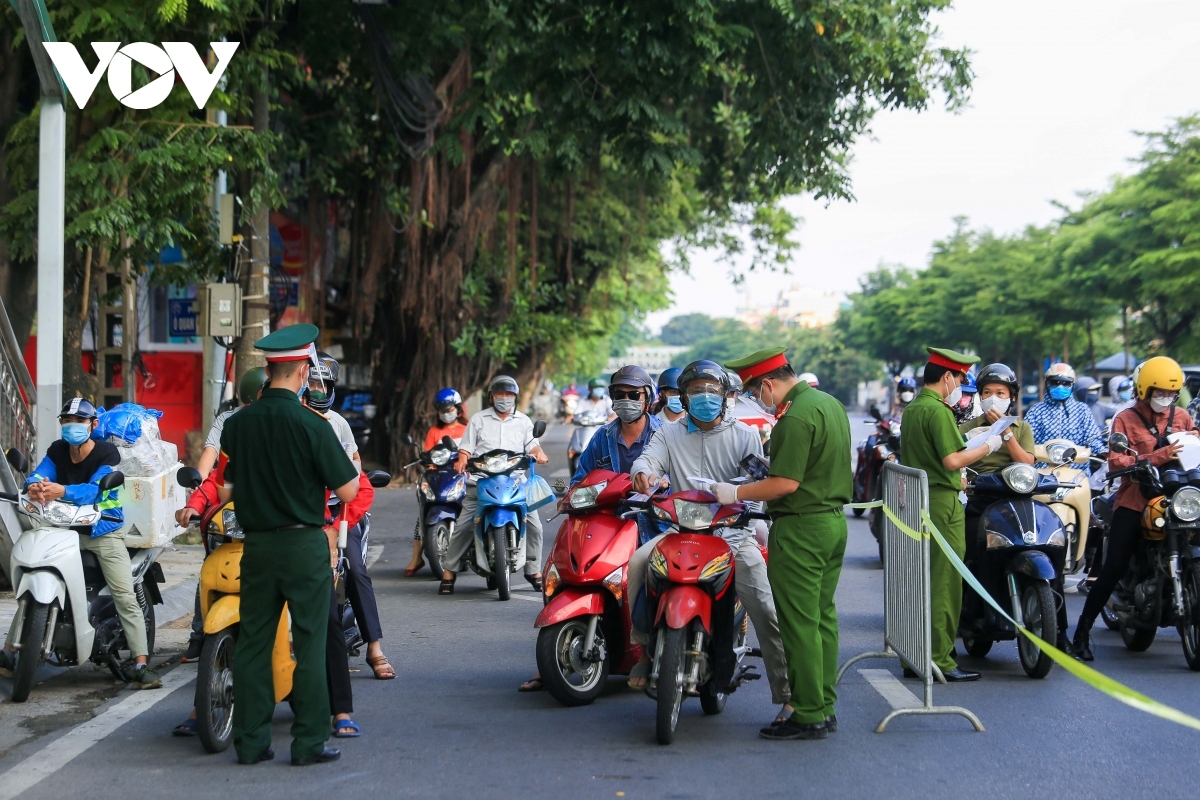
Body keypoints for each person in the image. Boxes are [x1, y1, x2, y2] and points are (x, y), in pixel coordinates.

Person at [219, 324, 359, 766]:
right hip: (304, 548)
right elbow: (351, 490)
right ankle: (308, 743)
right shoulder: (313, 425)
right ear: (302, 370)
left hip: (257, 548)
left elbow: (226, 491)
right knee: (311, 642)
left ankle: (251, 742)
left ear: (270, 368)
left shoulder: (237, 425)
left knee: (253, 644)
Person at [626, 360, 793, 731]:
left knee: (766, 609)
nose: (704, 397)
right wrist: (643, 474)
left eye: (711, 391)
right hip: (681, 534)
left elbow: (758, 484)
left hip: (732, 537)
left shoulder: (745, 436)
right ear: (682, 397)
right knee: (637, 565)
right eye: (696, 391)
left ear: (725, 396)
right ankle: (643, 650)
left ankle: (788, 698)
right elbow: (647, 459)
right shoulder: (669, 434)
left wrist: (745, 507)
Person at [718, 348, 851, 741]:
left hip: (801, 528)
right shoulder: (829, 404)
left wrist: (734, 491)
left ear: (768, 384)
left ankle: (807, 712)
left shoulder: (795, 416)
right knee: (822, 619)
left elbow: (785, 484)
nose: (759, 400)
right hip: (831, 523)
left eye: (756, 392)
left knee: (798, 624)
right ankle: (823, 705)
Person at [519, 365, 661, 694]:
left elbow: (675, 480)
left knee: (651, 579)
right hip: (604, 521)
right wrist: (571, 496)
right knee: (559, 569)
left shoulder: (662, 435)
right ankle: (552, 658)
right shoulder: (602, 437)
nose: (625, 401)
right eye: (619, 395)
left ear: (647, 398)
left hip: (650, 522)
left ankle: (651, 654)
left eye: (633, 395)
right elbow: (580, 478)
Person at [20, 399, 160, 689]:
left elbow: (94, 490)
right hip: (63, 527)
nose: (73, 426)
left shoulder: (107, 452)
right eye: (68, 420)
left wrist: (62, 490)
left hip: (102, 530)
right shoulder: (58, 450)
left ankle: (141, 663)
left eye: (79, 421)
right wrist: (33, 485)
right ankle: (12, 649)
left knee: (124, 593)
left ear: (93, 425)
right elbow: (40, 472)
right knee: (31, 577)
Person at [1071, 357, 1198, 660]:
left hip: (1178, 498)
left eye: (1171, 393)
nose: (1165, 398)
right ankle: (1080, 635)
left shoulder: (1181, 415)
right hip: (1136, 498)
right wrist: (1159, 454)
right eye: (1159, 392)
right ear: (1144, 389)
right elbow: (1117, 462)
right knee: (1113, 567)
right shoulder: (1125, 419)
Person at [899, 347, 1008, 682]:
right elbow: (951, 460)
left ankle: (915, 655)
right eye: (960, 378)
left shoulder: (914, 409)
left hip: (919, 501)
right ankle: (941, 659)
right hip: (942, 504)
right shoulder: (938, 411)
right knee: (945, 584)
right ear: (947, 377)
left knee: (922, 581)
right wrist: (988, 446)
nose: (960, 385)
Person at [955, 364, 1074, 651]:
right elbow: (959, 463)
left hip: (1017, 498)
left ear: (1011, 397)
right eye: (987, 392)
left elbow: (1027, 462)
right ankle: (969, 614)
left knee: (1053, 541)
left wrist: (1005, 432)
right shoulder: (965, 429)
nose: (993, 397)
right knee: (968, 548)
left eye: (1000, 392)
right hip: (980, 500)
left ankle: (1060, 631)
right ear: (979, 397)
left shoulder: (1021, 428)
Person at [304, 353, 394, 682]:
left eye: (321, 384)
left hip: (336, 514)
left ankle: (374, 646)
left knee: (355, 570)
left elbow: (358, 482)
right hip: (295, 513)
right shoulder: (291, 418)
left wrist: (339, 523)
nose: (315, 389)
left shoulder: (339, 424)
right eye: (310, 382)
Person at [176, 367, 270, 665]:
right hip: (235, 520)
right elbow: (211, 475)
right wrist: (194, 501)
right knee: (211, 568)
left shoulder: (281, 423)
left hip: (274, 520)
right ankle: (198, 635)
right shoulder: (229, 423)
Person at [441, 375, 549, 594]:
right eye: (500, 394)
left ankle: (533, 570)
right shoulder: (479, 419)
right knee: (462, 526)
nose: (504, 398)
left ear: (515, 398)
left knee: (536, 527)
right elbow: (466, 447)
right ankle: (449, 572)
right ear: (491, 396)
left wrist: (539, 454)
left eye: (509, 394)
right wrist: (462, 459)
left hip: (516, 481)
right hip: (481, 481)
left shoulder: (524, 421)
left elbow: (533, 446)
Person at [406, 388, 469, 576]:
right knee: (423, 513)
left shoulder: (467, 429)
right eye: (442, 411)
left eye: (449, 409)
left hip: (463, 475)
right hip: (440, 475)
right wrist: (428, 462)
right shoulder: (434, 432)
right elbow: (428, 455)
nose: (446, 414)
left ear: (457, 409)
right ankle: (417, 557)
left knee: (473, 507)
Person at [1025, 363, 1107, 465]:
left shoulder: (1082, 411)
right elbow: (1026, 441)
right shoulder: (1036, 411)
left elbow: (1092, 438)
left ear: (1072, 386)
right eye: (1055, 382)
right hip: (1042, 471)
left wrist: (1102, 451)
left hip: (1077, 471)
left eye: (1066, 383)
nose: (1060, 386)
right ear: (1047, 384)